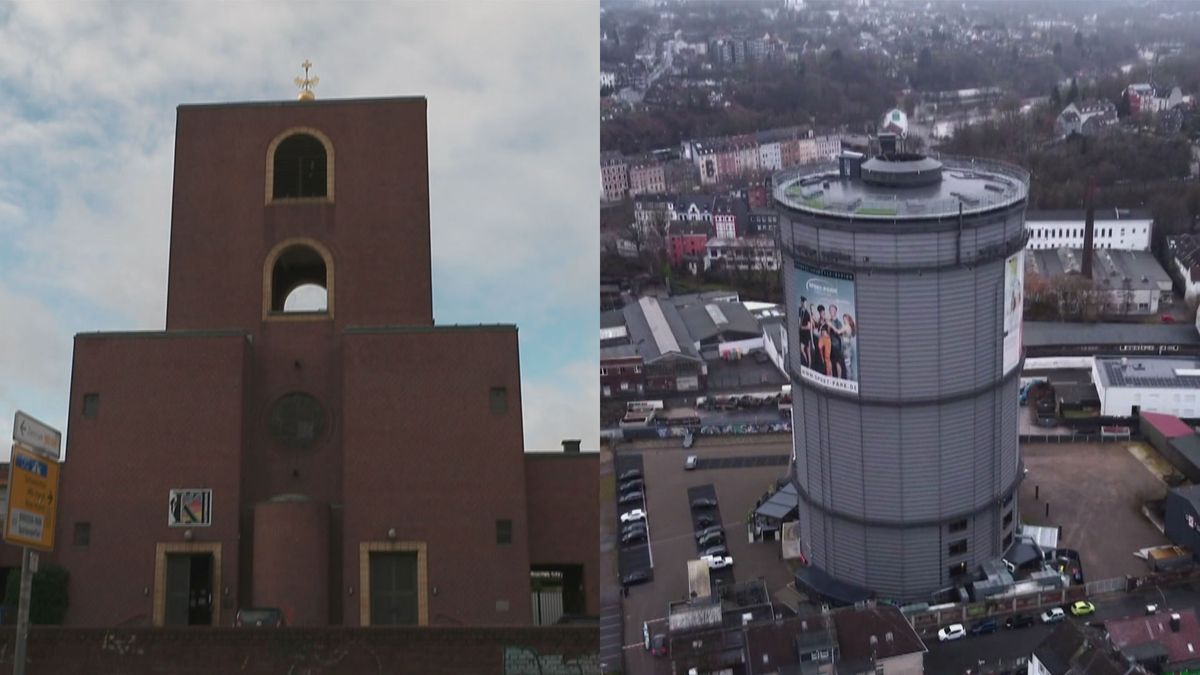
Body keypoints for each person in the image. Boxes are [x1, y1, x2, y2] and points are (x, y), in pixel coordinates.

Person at [828, 304, 847, 379]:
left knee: (837, 363)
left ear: (835, 311)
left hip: (836, 345)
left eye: (832, 310)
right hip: (830, 345)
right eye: (830, 310)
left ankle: (839, 378)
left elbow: (840, 334)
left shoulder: (838, 323)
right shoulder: (829, 321)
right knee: (831, 362)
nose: (831, 311)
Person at [797, 297, 813, 369]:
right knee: (801, 349)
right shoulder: (799, 310)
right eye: (803, 302)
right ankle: (806, 364)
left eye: (805, 303)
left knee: (808, 351)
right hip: (801, 334)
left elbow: (809, 327)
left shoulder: (807, 314)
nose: (804, 304)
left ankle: (809, 366)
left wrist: (801, 327)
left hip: (806, 335)